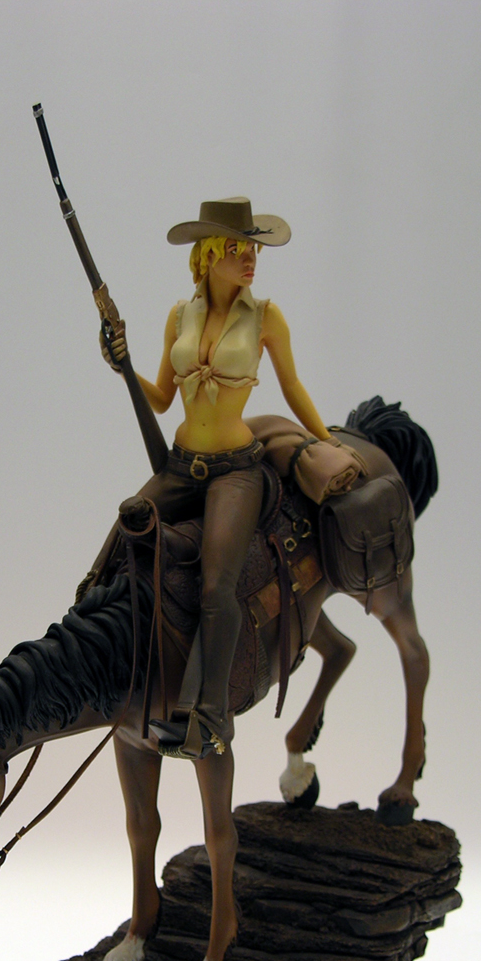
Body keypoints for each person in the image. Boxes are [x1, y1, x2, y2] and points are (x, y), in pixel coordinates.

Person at [101, 197, 359, 759]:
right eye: (238, 249)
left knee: (218, 585)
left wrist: (327, 440)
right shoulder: (179, 316)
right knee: (116, 544)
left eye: (253, 249)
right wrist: (123, 366)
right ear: (209, 254)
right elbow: (162, 399)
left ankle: (208, 713)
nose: (250, 259)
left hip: (236, 470)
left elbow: (292, 387)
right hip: (180, 465)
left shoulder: (266, 316)